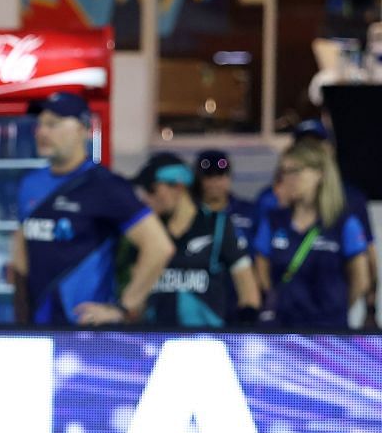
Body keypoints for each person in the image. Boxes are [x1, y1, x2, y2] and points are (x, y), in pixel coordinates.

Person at [10, 92, 173, 326]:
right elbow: (21, 250)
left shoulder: (105, 185)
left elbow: (159, 247)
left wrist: (124, 308)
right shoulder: (30, 184)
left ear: (82, 130)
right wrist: (19, 317)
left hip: (86, 333)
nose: (42, 132)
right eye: (40, 124)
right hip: (38, 328)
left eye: (53, 124)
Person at [253, 137, 372, 329]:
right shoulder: (274, 221)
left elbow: (361, 279)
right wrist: (276, 299)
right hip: (283, 329)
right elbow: (261, 266)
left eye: (295, 171)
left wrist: (335, 309)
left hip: (329, 331)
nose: (287, 179)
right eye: (284, 172)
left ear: (319, 174)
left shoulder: (344, 223)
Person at [131, 152, 260, 327]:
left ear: (178, 186)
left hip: (205, 343)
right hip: (157, 343)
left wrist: (244, 333)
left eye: (152, 190)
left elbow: (247, 288)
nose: (147, 198)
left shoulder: (218, 226)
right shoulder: (150, 231)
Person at [195, 150, 260, 247]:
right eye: (208, 176)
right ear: (198, 179)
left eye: (220, 175)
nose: (214, 182)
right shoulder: (190, 213)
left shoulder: (250, 212)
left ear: (229, 177)